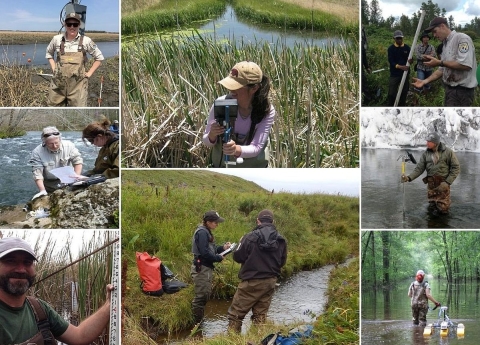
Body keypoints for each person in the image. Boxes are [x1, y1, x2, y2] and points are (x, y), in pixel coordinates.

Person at [0, 237, 114, 344]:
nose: (21, 269)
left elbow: (79, 336)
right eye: (10, 261)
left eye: (27, 262)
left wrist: (109, 305)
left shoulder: (38, 309)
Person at [203, 61, 275, 168]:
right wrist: (212, 135)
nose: (231, 89)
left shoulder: (267, 110)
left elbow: (256, 147)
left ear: (254, 88)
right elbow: (206, 142)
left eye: (236, 86)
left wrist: (236, 150)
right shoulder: (221, 104)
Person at [227, 209, 287, 333]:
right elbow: (282, 262)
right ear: (272, 221)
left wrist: (240, 243)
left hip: (251, 281)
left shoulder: (249, 237)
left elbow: (238, 257)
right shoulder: (281, 240)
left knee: (236, 314)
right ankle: (259, 339)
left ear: (258, 221)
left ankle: (232, 340)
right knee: (260, 315)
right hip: (270, 282)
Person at [412, 17, 478, 106]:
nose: (434, 35)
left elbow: (465, 65)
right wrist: (424, 81)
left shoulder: (461, 38)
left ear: (442, 26)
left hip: (462, 91)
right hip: (450, 90)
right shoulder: (445, 45)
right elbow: (441, 70)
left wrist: (440, 62)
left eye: (435, 31)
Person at [46, 12, 104, 107]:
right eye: (69, 24)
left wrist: (89, 74)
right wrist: (54, 68)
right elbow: (49, 53)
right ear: (65, 24)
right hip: (58, 86)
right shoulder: (56, 39)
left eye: (75, 24)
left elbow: (99, 58)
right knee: (53, 107)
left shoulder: (86, 41)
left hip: (78, 87)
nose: (72, 27)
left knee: (79, 108)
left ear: (79, 25)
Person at [401, 132, 460, 215]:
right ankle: (432, 224)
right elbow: (419, 169)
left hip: (443, 185)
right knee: (432, 209)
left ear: (435, 143)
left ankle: (443, 225)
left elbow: (456, 168)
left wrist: (447, 182)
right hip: (431, 185)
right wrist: (409, 178)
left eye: (429, 141)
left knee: (443, 210)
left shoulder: (448, 152)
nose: (427, 143)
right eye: (427, 141)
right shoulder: (426, 154)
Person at [191, 211, 231, 324]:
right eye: (215, 222)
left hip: (205, 268)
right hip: (202, 268)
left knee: (205, 294)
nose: (217, 224)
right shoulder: (202, 233)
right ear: (208, 222)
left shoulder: (206, 231)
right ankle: (197, 325)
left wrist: (223, 248)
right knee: (202, 296)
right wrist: (218, 258)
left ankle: (198, 321)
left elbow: (210, 250)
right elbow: (204, 253)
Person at [29, 126, 83, 199]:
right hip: (49, 184)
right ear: (44, 142)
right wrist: (42, 190)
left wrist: (77, 177)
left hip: (69, 180)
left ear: (60, 139)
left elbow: (78, 161)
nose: (54, 146)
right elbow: (37, 173)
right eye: (50, 144)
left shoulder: (69, 145)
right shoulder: (37, 152)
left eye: (56, 143)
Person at [387, 30, 412, 106]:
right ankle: (391, 106)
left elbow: (410, 59)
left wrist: (410, 61)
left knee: (404, 91)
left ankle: (402, 106)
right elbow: (391, 61)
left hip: (405, 73)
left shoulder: (407, 48)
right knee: (392, 92)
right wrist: (400, 67)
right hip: (395, 74)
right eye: (397, 38)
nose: (399, 40)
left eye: (400, 38)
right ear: (394, 39)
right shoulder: (391, 49)